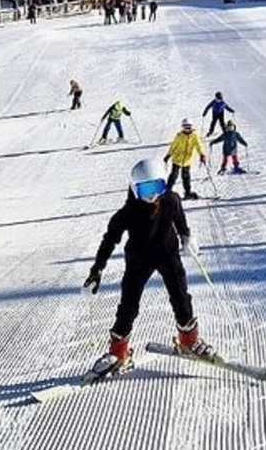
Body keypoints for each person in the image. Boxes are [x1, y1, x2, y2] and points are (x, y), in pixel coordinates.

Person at [82, 158, 214, 381]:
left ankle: (189, 341)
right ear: (134, 189)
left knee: (181, 297)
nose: (152, 194)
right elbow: (109, 241)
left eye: (157, 187)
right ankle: (118, 352)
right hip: (139, 259)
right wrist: (96, 271)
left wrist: (186, 237)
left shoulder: (171, 199)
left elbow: (179, 218)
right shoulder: (126, 213)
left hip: (168, 255)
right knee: (128, 305)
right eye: (145, 189)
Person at [163, 118, 206, 199]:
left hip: (187, 160)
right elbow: (173, 146)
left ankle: (187, 192)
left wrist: (202, 154)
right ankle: (167, 191)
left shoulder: (194, 136)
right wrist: (168, 155)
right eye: (185, 127)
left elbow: (199, 146)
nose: (187, 129)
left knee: (186, 177)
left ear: (192, 127)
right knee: (173, 175)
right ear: (182, 127)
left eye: (189, 127)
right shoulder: (179, 136)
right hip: (177, 159)